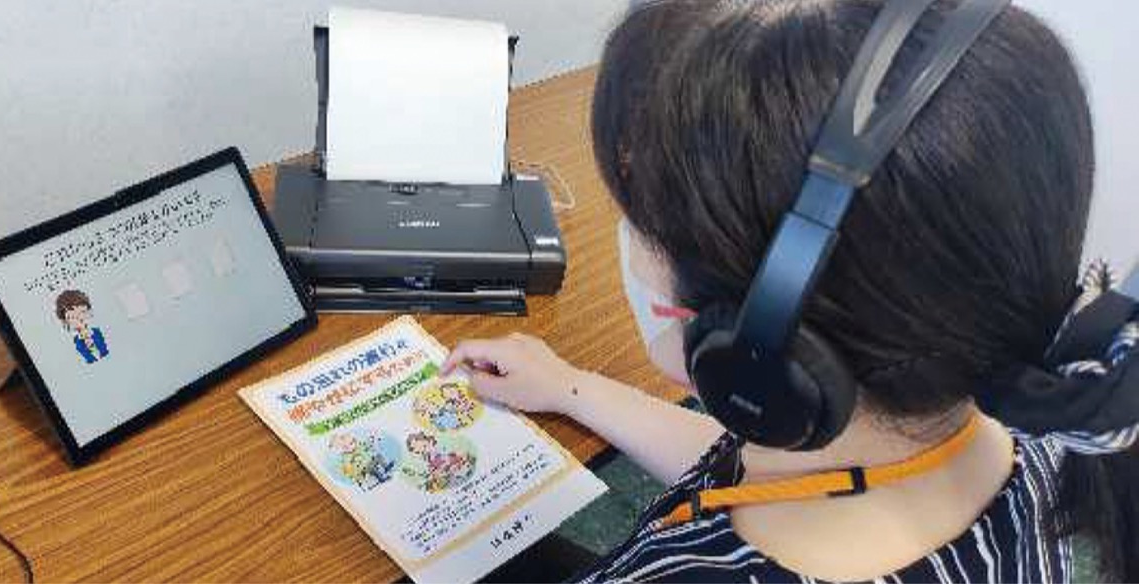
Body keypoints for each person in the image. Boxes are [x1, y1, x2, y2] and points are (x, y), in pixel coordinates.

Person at [442, 0, 1139, 582]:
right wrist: (573, 389)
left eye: (643, 218)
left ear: (754, 346)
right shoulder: (1028, 425)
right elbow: (765, 475)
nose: (628, 235)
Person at [54, 289, 109, 364]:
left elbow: (104, 350)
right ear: (66, 322)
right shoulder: (78, 341)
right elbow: (87, 357)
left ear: (89, 312)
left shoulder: (96, 332)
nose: (79, 319)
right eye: (72, 317)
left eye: (82, 312)